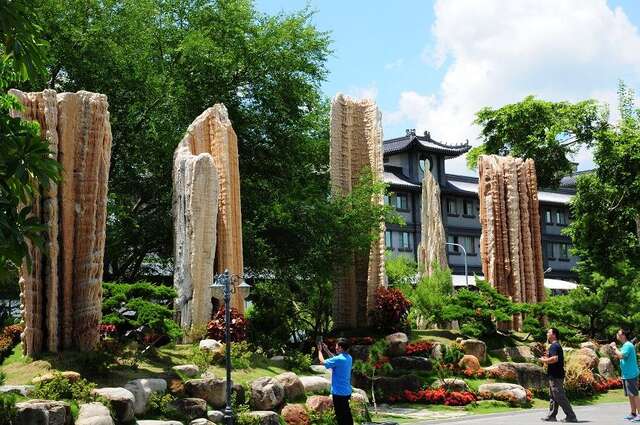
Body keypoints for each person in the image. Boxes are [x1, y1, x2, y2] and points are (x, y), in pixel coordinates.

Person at [540, 328, 578, 423]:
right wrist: (547, 358)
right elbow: (554, 358)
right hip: (554, 375)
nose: (547, 334)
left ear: (554, 335)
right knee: (553, 396)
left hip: (556, 375)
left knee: (559, 395)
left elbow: (555, 359)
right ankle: (552, 415)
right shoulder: (555, 346)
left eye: (549, 332)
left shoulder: (554, 346)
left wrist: (544, 360)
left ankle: (571, 416)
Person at [317, 338, 353, 425]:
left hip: (338, 393)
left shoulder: (339, 359)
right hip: (346, 392)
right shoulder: (349, 358)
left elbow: (322, 362)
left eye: (336, 346)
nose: (335, 347)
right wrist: (327, 350)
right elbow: (335, 359)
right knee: (347, 414)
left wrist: (320, 351)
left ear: (340, 347)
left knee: (340, 417)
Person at [610, 329, 640, 421]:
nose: (617, 335)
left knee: (634, 394)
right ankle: (633, 413)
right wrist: (614, 351)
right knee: (631, 394)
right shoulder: (625, 345)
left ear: (623, 335)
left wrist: (614, 347)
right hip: (627, 374)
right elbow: (619, 356)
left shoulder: (627, 345)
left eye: (618, 333)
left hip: (631, 374)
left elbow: (622, 355)